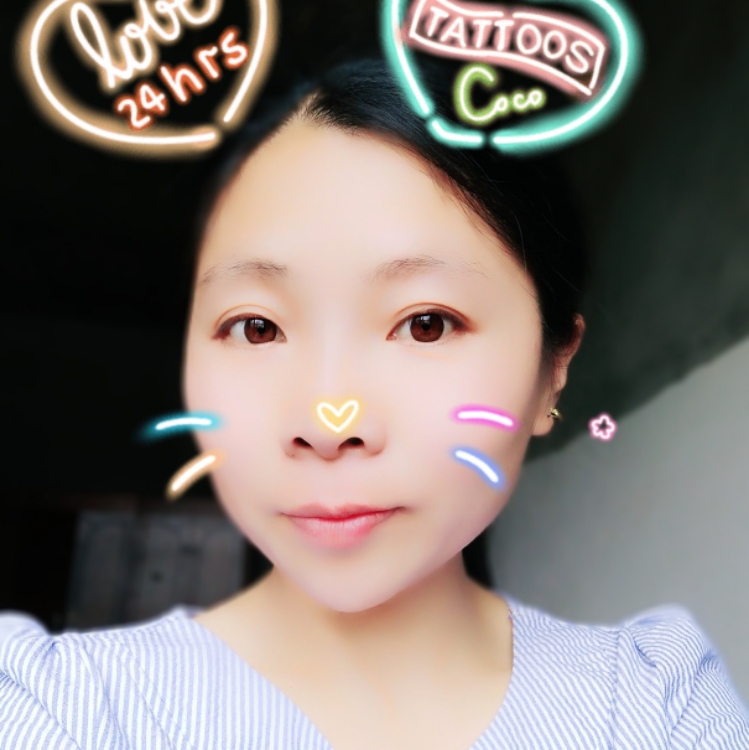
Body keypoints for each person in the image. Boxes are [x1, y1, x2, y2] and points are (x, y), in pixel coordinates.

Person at [1, 59, 748, 750]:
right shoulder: (59, 705)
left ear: (552, 372)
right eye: (256, 327)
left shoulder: (654, 700)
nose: (329, 424)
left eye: (426, 324)